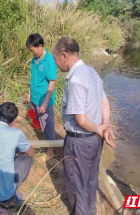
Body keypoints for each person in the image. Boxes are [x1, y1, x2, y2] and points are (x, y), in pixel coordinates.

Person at [52, 37, 113, 215]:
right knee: (90, 182)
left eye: (56, 60)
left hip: (79, 142)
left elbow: (81, 120)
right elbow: (104, 102)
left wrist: (99, 128)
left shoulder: (76, 80)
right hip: (95, 141)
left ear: (64, 56)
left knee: (76, 185)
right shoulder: (91, 72)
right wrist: (104, 126)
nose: (57, 65)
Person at [26, 33, 57, 163]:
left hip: (45, 100)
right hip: (35, 97)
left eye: (33, 50)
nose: (32, 53)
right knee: (42, 122)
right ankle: (48, 142)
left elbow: (52, 82)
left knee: (48, 126)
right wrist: (30, 92)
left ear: (40, 46)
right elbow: (33, 77)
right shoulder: (35, 59)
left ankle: (51, 152)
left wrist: (45, 103)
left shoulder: (49, 60)